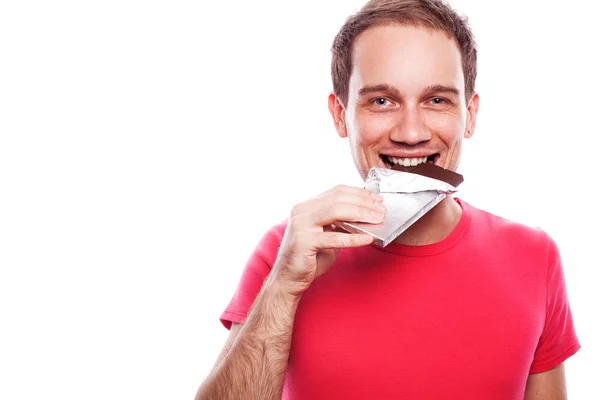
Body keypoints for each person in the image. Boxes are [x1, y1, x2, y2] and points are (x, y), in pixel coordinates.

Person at [195, 0, 580, 398]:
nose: (411, 133)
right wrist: (283, 287)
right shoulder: (287, 253)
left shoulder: (535, 257)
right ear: (340, 114)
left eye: (437, 100)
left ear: (471, 114)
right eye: (381, 100)